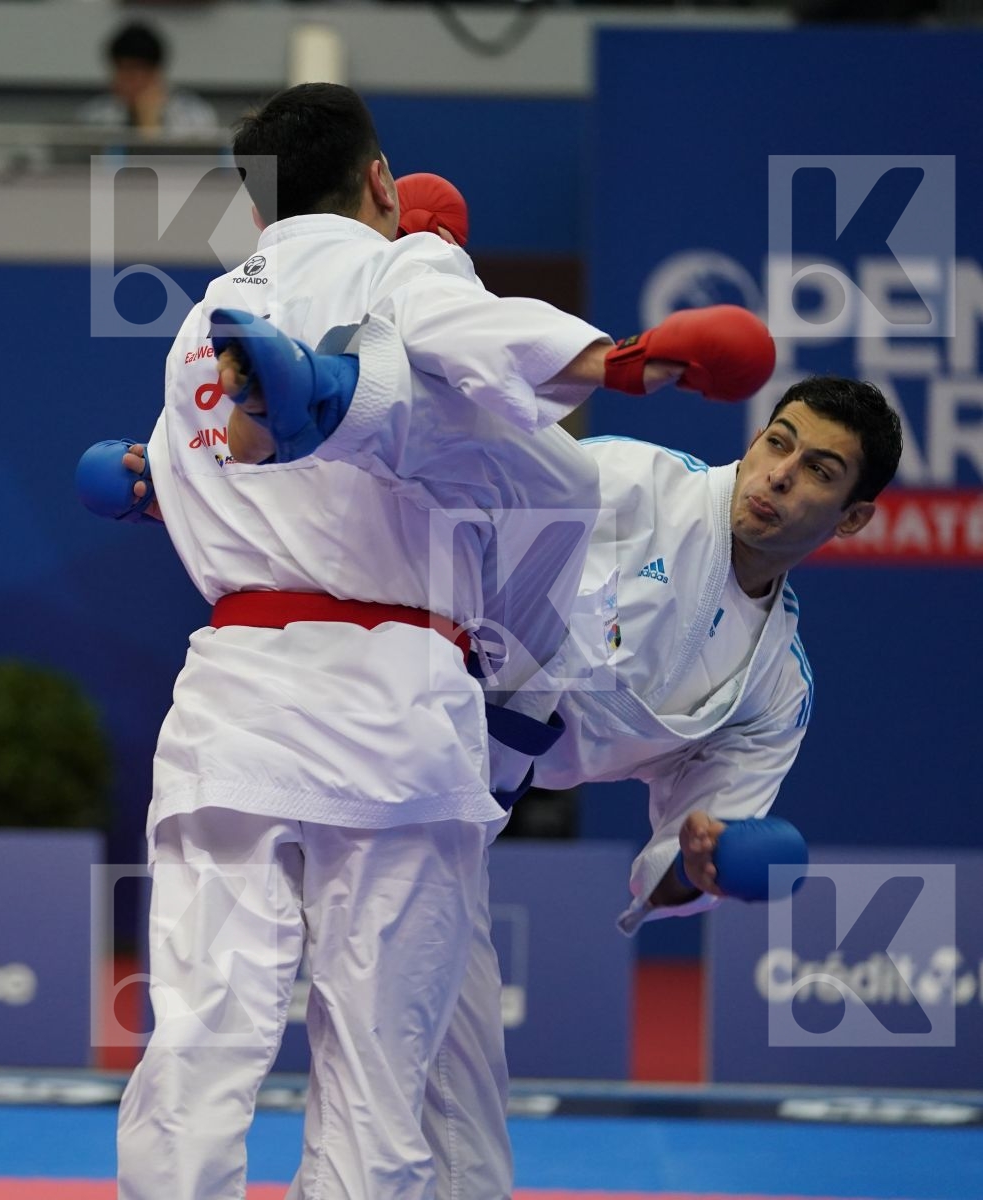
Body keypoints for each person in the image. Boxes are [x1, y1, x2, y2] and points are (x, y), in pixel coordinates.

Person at [104, 86, 767, 1200]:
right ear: (379, 183)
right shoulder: (399, 265)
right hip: (391, 712)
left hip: (230, 702)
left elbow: (189, 478)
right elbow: (479, 336)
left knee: (200, 1043)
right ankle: (332, 399)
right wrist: (619, 360)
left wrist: (150, 487)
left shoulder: (195, 327)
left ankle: (326, 398)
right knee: (375, 1076)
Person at [207, 316, 897, 1198]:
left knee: (461, 1147)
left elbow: (694, 847)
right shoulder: (628, 483)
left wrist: (705, 865)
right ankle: (295, 398)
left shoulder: (773, 690)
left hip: (452, 814)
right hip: (360, 722)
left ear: (854, 518)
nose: (778, 477)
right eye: (777, 444)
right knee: (262, 1063)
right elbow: (448, 482)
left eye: (819, 473)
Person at [77, 21, 218, 137]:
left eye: (135, 72)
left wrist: (150, 124)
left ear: (156, 72)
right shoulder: (94, 116)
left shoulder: (196, 115)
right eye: (122, 71)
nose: (129, 82)